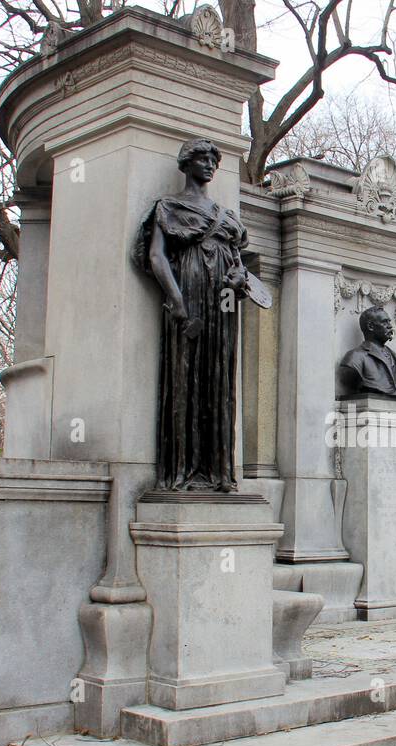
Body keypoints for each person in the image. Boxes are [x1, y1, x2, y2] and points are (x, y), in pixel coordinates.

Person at [133, 138, 252, 491]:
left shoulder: (227, 217)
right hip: (189, 295)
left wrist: (239, 277)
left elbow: (239, 263)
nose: (210, 165)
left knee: (219, 379)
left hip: (223, 303)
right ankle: (182, 469)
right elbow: (155, 257)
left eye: (214, 160)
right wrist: (177, 299)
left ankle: (218, 473)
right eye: (202, 158)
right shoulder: (168, 207)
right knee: (186, 378)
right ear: (186, 164)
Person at [338, 306, 396, 398]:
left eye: (389, 321)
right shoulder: (354, 358)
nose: (390, 326)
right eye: (384, 322)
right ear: (370, 326)